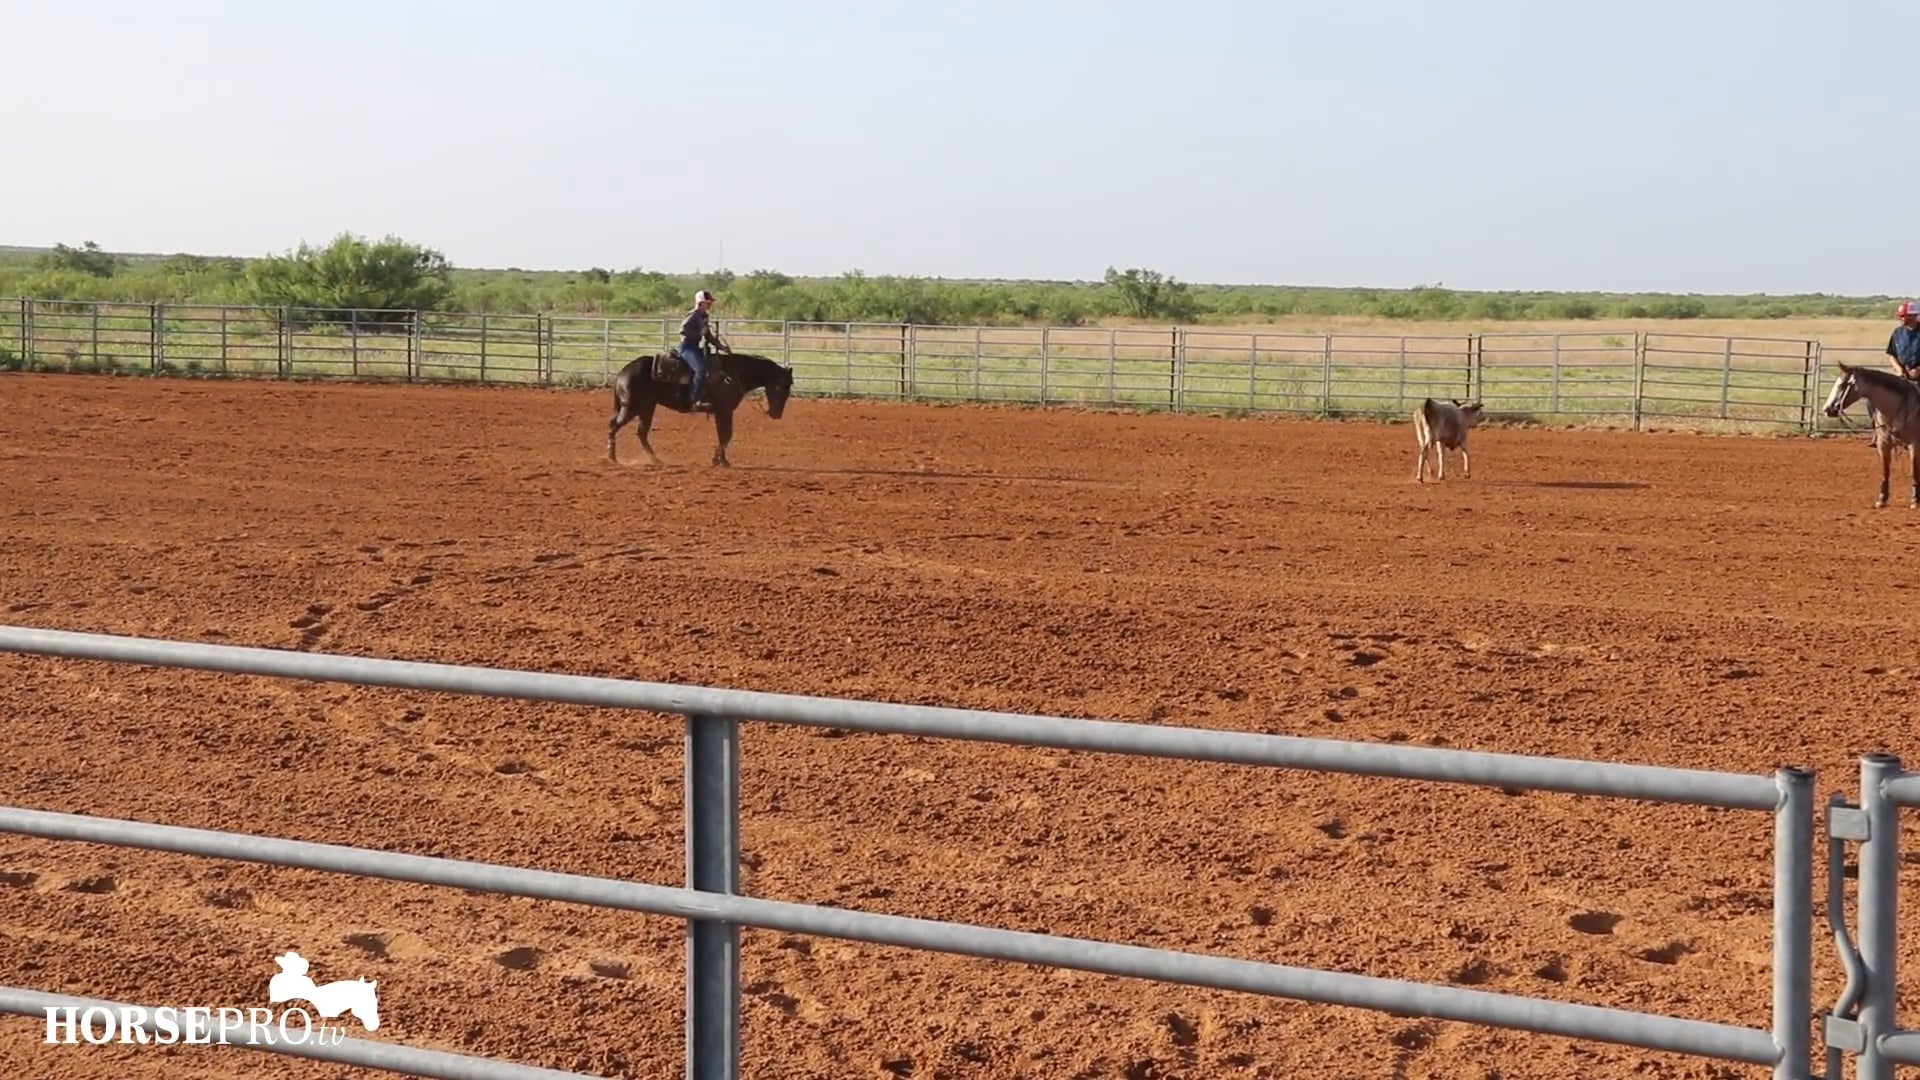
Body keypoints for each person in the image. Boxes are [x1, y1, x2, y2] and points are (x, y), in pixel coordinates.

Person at [677, 290, 729, 407]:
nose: (710, 304)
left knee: (712, 367)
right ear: (700, 303)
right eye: (707, 302)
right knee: (701, 370)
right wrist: (699, 333)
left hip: (695, 347)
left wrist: (721, 347)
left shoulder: (704, 316)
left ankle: (705, 394)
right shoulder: (693, 315)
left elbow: (708, 336)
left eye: (710, 302)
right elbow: (683, 331)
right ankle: (694, 400)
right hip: (687, 347)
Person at [1890, 300, 1920, 381]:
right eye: (1900, 316)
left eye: (1903, 316)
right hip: (1903, 378)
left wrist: (1918, 370)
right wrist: (1899, 370)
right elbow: (1892, 355)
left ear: (1913, 316)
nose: (1901, 318)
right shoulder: (1897, 333)